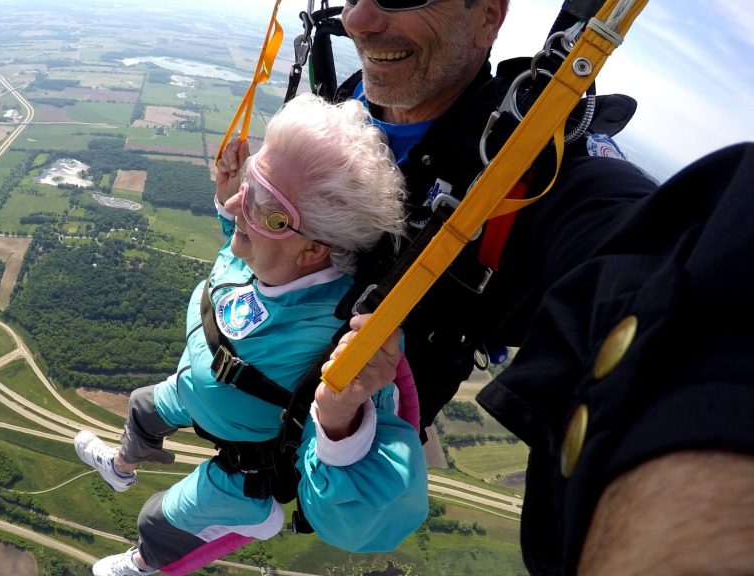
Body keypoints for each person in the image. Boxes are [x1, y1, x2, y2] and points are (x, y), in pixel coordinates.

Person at [321, 0, 754, 574]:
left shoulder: (536, 170)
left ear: (487, 17)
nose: (358, 20)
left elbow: (658, 265)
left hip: (346, 450)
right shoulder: (347, 95)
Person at [73, 93, 429, 576]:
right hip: (193, 388)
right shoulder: (272, 254)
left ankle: (141, 564)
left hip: (248, 465)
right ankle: (120, 469)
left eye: (261, 201)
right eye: (252, 180)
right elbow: (246, 249)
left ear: (312, 250)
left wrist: (340, 417)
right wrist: (232, 199)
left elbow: (369, 516)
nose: (241, 201)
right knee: (140, 408)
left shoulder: (343, 341)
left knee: (158, 519)